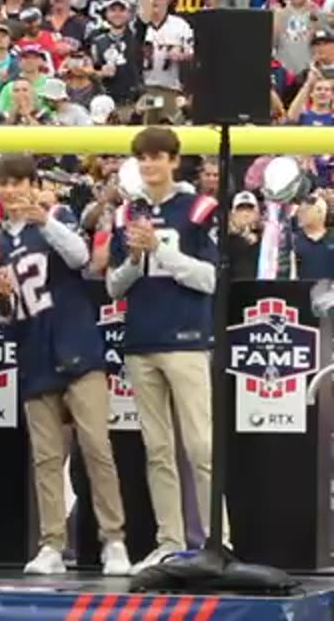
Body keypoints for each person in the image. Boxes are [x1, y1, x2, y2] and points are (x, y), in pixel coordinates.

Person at [0, 154, 131, 576]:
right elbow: (7, 320)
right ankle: (52, 542)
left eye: (18, 182)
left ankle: (114, 540)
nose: (11, 190)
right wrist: (1, 298)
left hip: (77, 345)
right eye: (4, 183)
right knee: (46, 457)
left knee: (96, 447)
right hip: (34, 352)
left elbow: (80, 257)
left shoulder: (54, 221)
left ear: (34, 184)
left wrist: (44, 218)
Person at [107, 127, 227, 572]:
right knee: (157, 450)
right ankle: (170, 541)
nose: (149, 165)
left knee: (200, 447)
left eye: (157, 157)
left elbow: (211, 279)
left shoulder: (199, 208)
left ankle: (219, 542)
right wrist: (137, 260)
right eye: (143, 158)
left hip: (186, 339)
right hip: (140, 339)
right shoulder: (127, 213)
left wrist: (161, 250)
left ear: (174, 160)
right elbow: (113, 285)